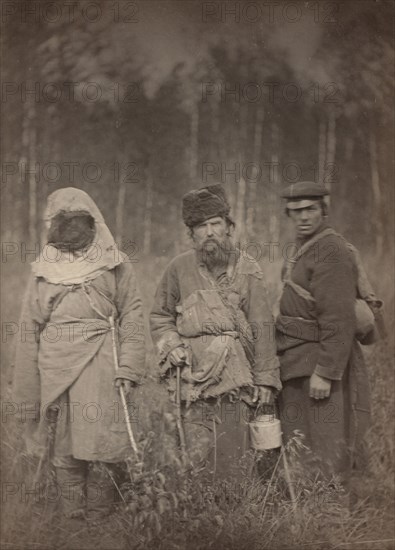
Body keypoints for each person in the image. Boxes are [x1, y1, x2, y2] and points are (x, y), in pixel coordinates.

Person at [13, 187, 145, 519]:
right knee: (65, 442)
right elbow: (28, 330)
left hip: (103, 360)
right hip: (55, 367)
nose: (71, 228)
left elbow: (133, 314)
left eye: (78, 221)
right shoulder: (43, 271)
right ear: (53, 225)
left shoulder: (115, 263)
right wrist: (28, 388)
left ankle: (99, 517)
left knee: (101, 439)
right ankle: (72, 519)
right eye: (64, 221)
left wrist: (128, 367)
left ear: (93, 222)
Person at [150, 184, 281, 479]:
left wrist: (266, 381)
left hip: (236, 378)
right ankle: (195, 509)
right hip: (190, 378)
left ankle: (233, 509)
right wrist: (172, 346)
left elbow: (263, 328)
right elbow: (160, 317)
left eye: (215, 224)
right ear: (191, 233)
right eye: (201, 226)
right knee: (193, 451)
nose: (209, 232)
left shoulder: (247, 269)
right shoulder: (178, 269)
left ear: (228, 227)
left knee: (233, 452)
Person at [276, 181, 375, 487]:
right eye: (296, 211)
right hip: (298, 358)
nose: (303, 217)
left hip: (318, 363)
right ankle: (311, 507)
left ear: (324, 210)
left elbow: (338, 318)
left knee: (327, 441)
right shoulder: (304, 247)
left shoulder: (330, 250)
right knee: (302, 437)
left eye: (311, 209)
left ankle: (331, 512)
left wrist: (326, 372)